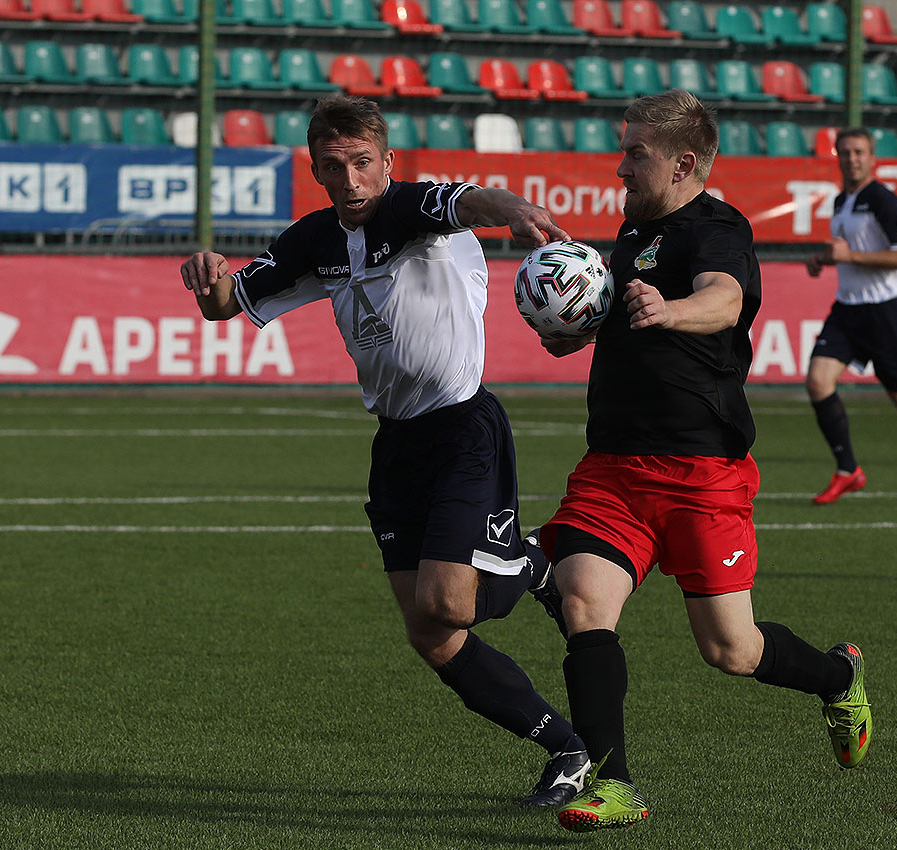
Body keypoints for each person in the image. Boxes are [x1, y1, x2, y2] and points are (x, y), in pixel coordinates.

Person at [179, 95, 589, 808]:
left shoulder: (409, 210)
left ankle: (529, 564)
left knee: (448, 603)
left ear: (387, 162)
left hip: (462, 430)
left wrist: (516, 209)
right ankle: (567, 749)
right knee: (430, 634)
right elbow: (224, 305)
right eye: (334, 166)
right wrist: (207, 275)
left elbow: (472, 201)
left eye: (363, 162)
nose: (351, 179)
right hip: (396, 445)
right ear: (316, 170)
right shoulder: (314, 241)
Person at [533, 90, 872, 833]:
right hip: (614, 467)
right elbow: (628, 318)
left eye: (636, 154)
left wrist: (671, 310)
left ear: (684, 163)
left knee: (731, 649)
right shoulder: (633, 231)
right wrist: (582, 330)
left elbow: (723, 300)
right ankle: (614, 785)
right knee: (583, 601)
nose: (621, 167)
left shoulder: (719, 229)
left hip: (700, 474)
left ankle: (837, 676)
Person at [804, 127, 897, 508]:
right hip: (847, 309)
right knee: (818, 381)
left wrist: (849, 257)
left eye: (859, 152)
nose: (851, 159)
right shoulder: (842, 201)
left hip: (886, 312)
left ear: (873, 158)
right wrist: (823, 259)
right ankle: (848, 470)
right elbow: (848, 250)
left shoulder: (883, 200)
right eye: (845, 152)